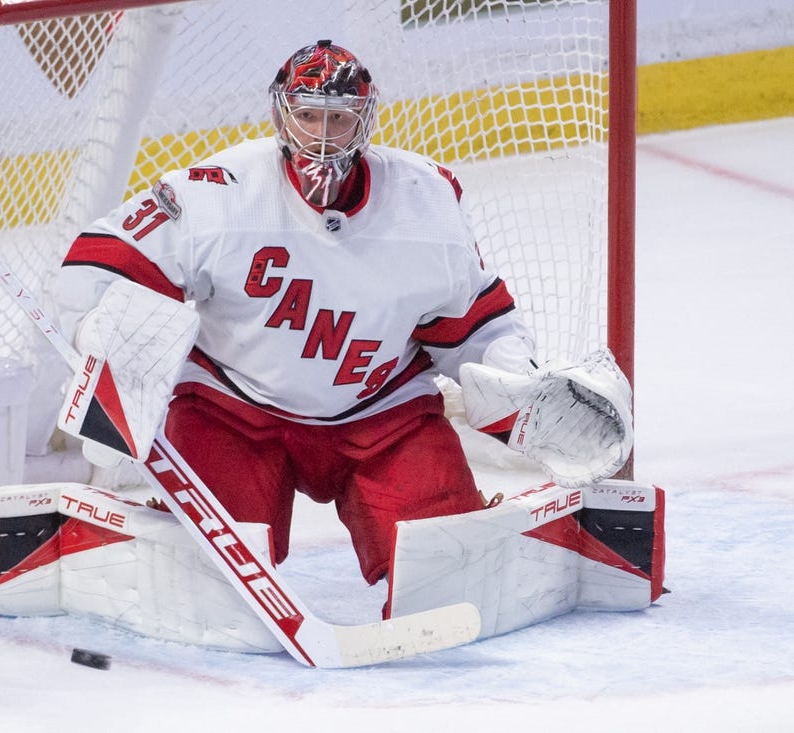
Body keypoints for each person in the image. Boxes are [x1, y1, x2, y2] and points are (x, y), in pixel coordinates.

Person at [50, 40, 621, 590]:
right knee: (207, 574)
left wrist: (518, 383)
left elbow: (473, 325)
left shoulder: (426, 200)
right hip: (235, 411)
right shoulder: (217, 192)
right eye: (307, 116)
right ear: (281, 116)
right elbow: (98, 261)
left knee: (448, 568)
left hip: (383, 417)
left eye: (339, 118)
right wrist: (105, 340)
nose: (322, 137)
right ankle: (154, 535)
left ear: (365, 120)